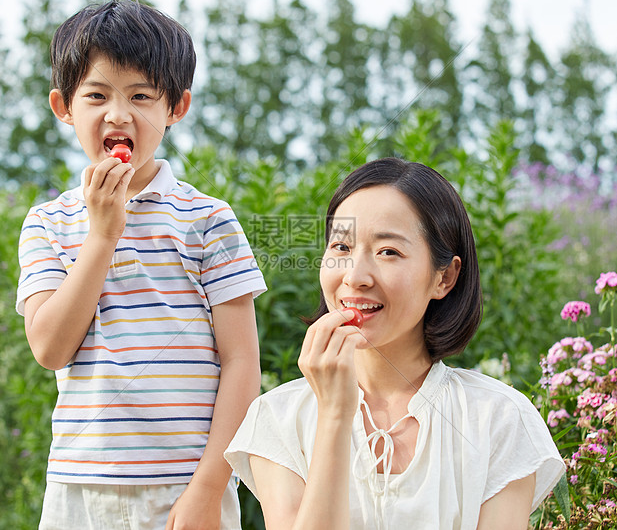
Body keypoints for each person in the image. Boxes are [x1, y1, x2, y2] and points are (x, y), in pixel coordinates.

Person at [16, 0, 266, 529]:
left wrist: (210, 488)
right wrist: (103, 233)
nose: (118, 113)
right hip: (79, 485)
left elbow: (242, 362)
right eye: (97, 95)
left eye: (141, 96)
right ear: (64, 106)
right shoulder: (48, 223)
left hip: (185, 488)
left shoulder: (208, 220)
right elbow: (50, 347)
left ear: (176, 108)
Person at [224, 158, 565, 530]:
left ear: (445, 278)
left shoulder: (498, 418)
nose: (355, 277)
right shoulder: (277, 417)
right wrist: (335, 416)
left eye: (388, 252)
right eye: (341, 247)